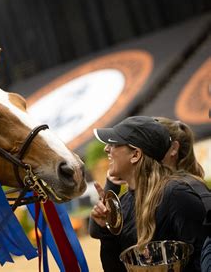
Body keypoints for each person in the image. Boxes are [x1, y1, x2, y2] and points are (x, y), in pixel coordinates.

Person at [88, 116, 208, 272]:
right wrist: (106, 230)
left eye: (114, 143)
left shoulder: (176, 195)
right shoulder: (123, 204)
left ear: (136, 155)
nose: (106, 149)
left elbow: (204, 258)